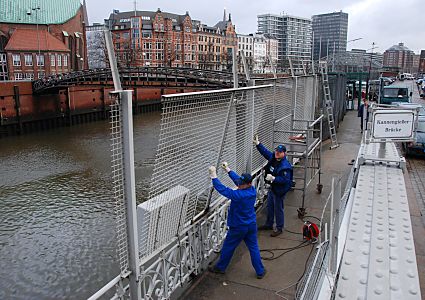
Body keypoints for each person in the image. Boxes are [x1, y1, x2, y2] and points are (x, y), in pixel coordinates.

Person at [207, 163, 266, 279]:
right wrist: (228, 170)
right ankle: (260, 271)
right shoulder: (252, 190)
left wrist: (214, 177)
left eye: (242, 184)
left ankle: (220, 268)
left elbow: (223, 190)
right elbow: (237, 180)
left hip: (238, 227)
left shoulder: (238, 195)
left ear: (248, 184)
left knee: (228, 247)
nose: (239, 185)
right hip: (251, 224)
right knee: (254, 247)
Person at [253, 135, 293, 237]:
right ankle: (269, 224)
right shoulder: (274, 158)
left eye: (279, 152)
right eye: (276, 151)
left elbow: (285, 180)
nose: (277, 153)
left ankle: (279, 228)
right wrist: (258, 144)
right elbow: (265, 152)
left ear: (284, 154)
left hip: (279, 190)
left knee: (278, 209)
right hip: (272, 188)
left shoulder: (285, 166)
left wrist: (274, 179)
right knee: (270, 206)